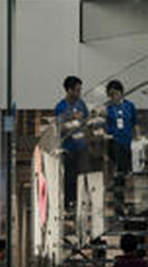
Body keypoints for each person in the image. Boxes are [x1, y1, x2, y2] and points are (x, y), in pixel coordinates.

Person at [55, 75, 89, 213]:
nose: (79, 93)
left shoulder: (81, 104)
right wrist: (70, 118)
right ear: (69, 90)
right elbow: (58, 127)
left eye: (80, 90)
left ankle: (82, 202)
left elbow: (86, 121)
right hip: (68, 148)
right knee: (70, 177)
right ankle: (69, 203)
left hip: (82, 147)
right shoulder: (61, 106)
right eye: (77, 90)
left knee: (82, 176)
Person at [105, 79, 137, 215]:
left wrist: (138, 138)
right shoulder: (108, 108)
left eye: (115, 94)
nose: (113, 97)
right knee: (119, 172)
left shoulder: (129, 106)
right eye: (110, 95)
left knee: (125, 172)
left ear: (121, 93)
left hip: (127, 142)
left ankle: (124, 200)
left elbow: (134, 123)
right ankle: (118, 202)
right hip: (115, 142)